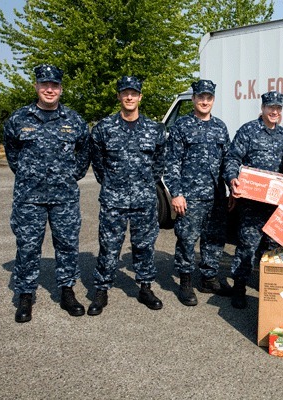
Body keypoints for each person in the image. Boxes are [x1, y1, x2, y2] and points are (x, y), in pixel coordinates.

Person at [3, 64, 90, 323]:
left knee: (67, 245)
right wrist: (28, 175)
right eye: (44, 85)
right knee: (28, 247)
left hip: (64, 197)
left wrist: (71, 174)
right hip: (29, 198)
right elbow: (12, 154)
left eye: (54, 86)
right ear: (36, 87)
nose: (49, 90)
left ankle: (67, 292)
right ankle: (25, 296)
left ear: (61, 89)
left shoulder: (74, 120)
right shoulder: (19, 119)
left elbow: (84, 152)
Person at [87, 76, 166, 316]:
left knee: (144, 245)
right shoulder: (104, 128)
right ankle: (101, 290)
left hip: (144, 199)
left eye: (134, 93)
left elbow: (159, 163)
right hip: (113, 199)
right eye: (125, 93)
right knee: (109, 246)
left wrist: (144, 185)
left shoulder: (155, 129)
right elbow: (98, 163)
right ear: (119, 96)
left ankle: (145, 287)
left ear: (140, 97)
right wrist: (112, 183)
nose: (129, 97)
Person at [165, 79, 231, 306]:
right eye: (200, 97)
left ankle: (209, 278)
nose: (204, 101)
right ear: (193, 99)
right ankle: (185, 282)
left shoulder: (220, 127)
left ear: (213, 100)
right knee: (186, 239)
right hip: (189, 196)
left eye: (209, 98)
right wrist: (176, 193)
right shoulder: (181, 126)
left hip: (216, 196)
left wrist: (233, 189)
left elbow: (227, 162)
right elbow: (172, 162)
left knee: (214, 239)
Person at [224, 91, 283, 309]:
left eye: (278, 108)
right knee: (247, 246)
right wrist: (232, 178)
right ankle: (239, 287)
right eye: (270, 107)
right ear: (262, 108)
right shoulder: (248, 131)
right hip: (252, 203)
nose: (274, 111)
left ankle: (269, 287)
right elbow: (233, 158)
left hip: (274, 204)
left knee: (272, 249)